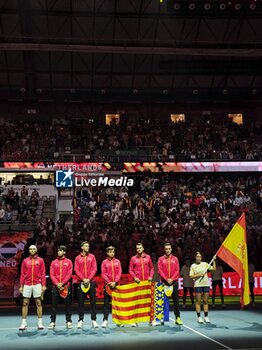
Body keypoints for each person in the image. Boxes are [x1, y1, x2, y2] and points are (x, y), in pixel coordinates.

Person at [19, 245, 46, 330]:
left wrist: (44, 285)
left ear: (36, 250)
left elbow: (43, 273)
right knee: (25, 303)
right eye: (30, 249)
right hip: (27, 284)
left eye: (34, 249)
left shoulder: (40, 260)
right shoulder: (25, 261)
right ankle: (23, 323)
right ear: (29, 250)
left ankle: (40, 322)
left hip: (37, 284)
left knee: (38, 303)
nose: (32, 250)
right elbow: (22, 274)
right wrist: (21, 286)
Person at [158, 242, 183, 326]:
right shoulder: (161, 259)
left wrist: (172, 279)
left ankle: (178, 317)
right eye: (166, 249)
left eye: (169, 249)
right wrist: (166, 279)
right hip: (164, 283)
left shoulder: (175, 259)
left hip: (174, 282)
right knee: (163, 301)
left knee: (176, 301)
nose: (168, 250)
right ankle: (162, 318)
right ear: (164, 250)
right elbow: (160, 270)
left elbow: (177, 270)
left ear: (171, 249)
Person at [129, 242, 154, 327]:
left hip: (147, 283)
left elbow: (152, 268)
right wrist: (134, 277)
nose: (139, 249)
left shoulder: (148, 257)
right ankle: (134, 321)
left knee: (149, 302)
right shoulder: (133, 258)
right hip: (137, 283)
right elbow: (130, 270)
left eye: (140, 248)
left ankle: (151, 320)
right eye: (137, 248)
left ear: (143, 249)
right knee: (136, 302)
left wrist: (150, 276)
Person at [74, 241, 98, 329]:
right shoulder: (77, 258)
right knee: (80, 302)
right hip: (81, 282)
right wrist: (83, 279)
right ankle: (80, 320)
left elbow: (94, 269)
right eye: (86, 246)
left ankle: (94, 320)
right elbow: (76, 270)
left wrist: (88, 279)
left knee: (93, 302)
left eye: (88, 246)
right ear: (82, 247)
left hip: (91, 282)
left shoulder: (92, 257)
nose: (88, 247)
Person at [48, 245, 73, 329]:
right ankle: (52, 321)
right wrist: (57, 284)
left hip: (66, 286)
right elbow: (51, 274)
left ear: (64, 252)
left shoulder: (69, 262)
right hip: (55, 287)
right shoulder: (53, 262)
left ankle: (68, 321)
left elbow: (69, 274)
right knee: (54, 305)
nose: (59, 252)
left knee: (68, 305)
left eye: (61, 250)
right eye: (58, 250)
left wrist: (62, 283)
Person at [190, 251, 216, 323]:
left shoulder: (205, 264)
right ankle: (199, 317)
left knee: (205, 301)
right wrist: (199, 275)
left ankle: (206, 316)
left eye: (200, 257)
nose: (199, 258)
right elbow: (191, 276)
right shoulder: (193, 266)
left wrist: (214, 260)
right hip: (198, 285)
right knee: (198, 301)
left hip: (206, 284)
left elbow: (213, 269)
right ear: (195, 257)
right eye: (197, 257)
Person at [101, 246, 122, 328]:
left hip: (116, 286)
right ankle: (105, 320)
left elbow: (119, 272)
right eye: (110, 252)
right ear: (107, 253)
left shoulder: (118, 261)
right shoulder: (104, 262)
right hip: (107, 286)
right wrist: (109, 282)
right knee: (106, 304)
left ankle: (119, 321)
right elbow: (103, 273)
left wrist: (115, 282)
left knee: (117, 304)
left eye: (113, 252)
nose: (112, 253)